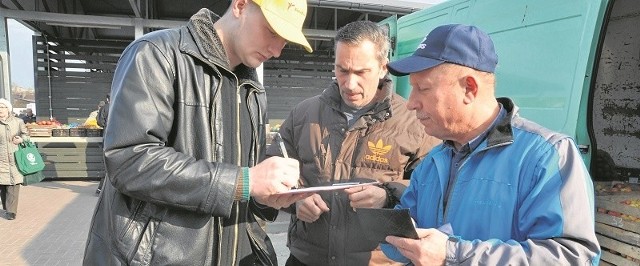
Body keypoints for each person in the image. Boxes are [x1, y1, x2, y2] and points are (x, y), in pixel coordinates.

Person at [82, 0, 313, 265]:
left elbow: (244, 183)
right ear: (240, 5)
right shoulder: (157, 54)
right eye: (272, 31)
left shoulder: (253, 90)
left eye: (285, 40)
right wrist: (245, 181)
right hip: (160, 257)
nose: (276, 50)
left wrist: (268, 196)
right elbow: (130, 160)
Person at [380, 24, 601, 265]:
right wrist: (375, 211)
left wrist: (453, 254)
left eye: (422, 89)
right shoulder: (433, 162)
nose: (411, 103)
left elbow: (573, 257)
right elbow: (405, 237)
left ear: (469, 88)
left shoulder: (546, 156)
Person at [266, 21, 441, 266]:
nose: (349, 84)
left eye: (360, 72)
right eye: (342, 70)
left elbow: (434, 189)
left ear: (382, 68)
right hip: (306, 260)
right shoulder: (303, 114)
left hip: (378, 261)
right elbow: (272, 169)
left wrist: (387, 196)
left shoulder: (415, 123)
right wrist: (296, 200)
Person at [0, 98, 28, 220]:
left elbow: (26, 135)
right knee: (3, 185)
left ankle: (11, 211)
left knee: (13, 184)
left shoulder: (18, 121)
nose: (0, 110)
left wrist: (21, 139)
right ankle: (6, 206)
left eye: (3, 107)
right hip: (1, 159)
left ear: (8, 109)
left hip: (14, 159)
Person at [95, 94, 110, 195]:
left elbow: (100, 122)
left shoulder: (105, 108)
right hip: (121, 137)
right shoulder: (122, 106)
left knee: (106, 163)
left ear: (108, 99)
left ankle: (101, 189)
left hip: (108, 137)